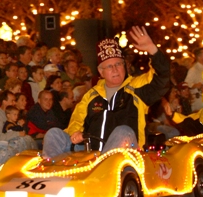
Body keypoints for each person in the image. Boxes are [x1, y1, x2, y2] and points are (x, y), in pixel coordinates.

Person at [42, 26, 170, 158]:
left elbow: (162, 77)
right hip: (90, 155)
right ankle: (53, 173)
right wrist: (75, 132)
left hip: (125, 155)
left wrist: (152, 50)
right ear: (101, 72)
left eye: (119, 64)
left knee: (123, 131)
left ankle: (103, 168)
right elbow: (77, 120)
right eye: (109, 66)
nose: (115, 69)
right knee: (53, 133)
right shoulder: (91, 95)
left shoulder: (136, 87)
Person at [184, 47, 203, 112]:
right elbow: (186, 83)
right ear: (199, 57)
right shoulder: (194, 70)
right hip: (198, 102)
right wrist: (195, 85)